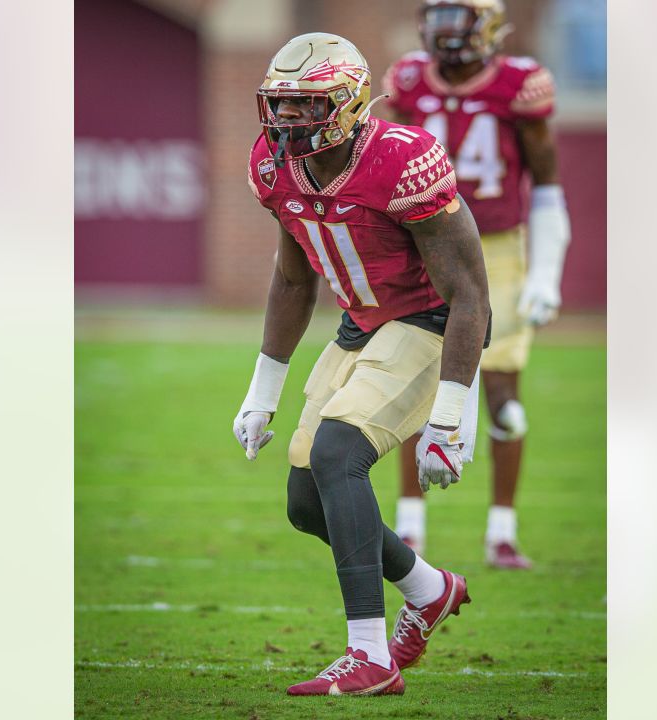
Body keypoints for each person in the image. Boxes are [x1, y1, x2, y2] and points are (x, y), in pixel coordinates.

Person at [234, 32, 489, 696]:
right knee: (306, 501)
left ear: (348, 104)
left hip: (430, 322)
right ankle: (429, 590)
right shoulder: (272, 164)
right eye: (281, 106)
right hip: (362, 326)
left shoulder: (403, 161)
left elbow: (471, 294)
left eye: (307, 105)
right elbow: (293, 282)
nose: (288, 122)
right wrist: (263, 391)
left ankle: (369, 654)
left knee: (338, 452)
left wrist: (450, 417)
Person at [384, 0, 572, 569]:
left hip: (497, 247)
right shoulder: (410, 80)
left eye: (456, 17)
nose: (444, 31)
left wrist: (545, 272)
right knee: (419, 386)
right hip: (427, 245)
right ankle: (410, 526)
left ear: (487, 25)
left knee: (502, 399)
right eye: (437, 17)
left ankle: (502, 532)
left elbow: (547, 186)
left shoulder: (518, 85)